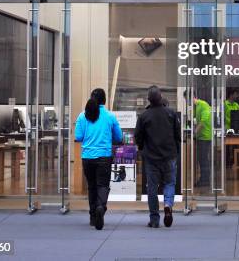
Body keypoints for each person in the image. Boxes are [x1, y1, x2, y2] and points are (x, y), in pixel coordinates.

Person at [75, 88, 123, 229]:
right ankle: (101, 207)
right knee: (102, 185)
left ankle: (92, 217)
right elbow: (119, 137)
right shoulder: (110, 117)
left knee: (91, 186)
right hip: (104, 157)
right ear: (105, 100)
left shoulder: (82, 116)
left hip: (87, 157)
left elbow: (78, 137)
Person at [134, 85, 181, 228]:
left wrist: (142, 148)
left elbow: (138, 136)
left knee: (152, 188)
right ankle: (167, 205)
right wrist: (176, 150)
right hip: (169, 155)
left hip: (151, 157)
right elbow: (178, 135)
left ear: (148, 100)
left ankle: (154, 219)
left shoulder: (144, 116)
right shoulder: (171, 113)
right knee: (169, 183)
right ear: (161, 97)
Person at [194, 95, 212, 187]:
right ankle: (203, 179)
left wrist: (195, 132)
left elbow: (203, 121)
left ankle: (205, 181)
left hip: (205, 136)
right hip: (201, 136)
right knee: (202, 159)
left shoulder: (203, 104)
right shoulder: (196, 106)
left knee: (204, 159)